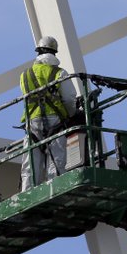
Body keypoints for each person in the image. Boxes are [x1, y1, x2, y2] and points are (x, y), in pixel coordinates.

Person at [19, 35, 77, 191]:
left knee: (31, 160)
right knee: (56, 158)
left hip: (32, 121)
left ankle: (27, 192)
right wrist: (72, 114)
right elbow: (69, 98)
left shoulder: (25, 75)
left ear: (38, 51)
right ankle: (56, 188)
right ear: (55, 53)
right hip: (55, 121)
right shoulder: (59, 73)